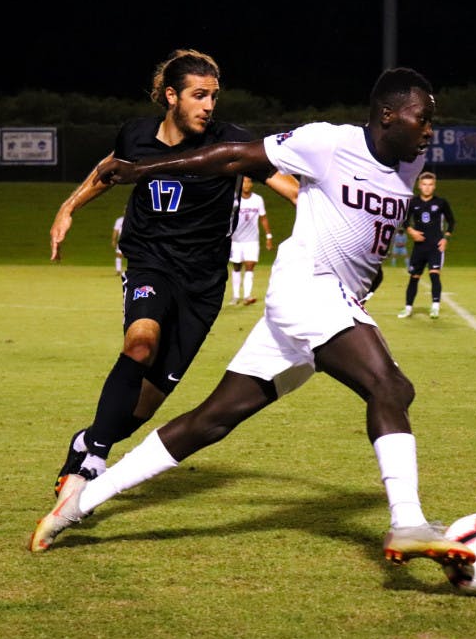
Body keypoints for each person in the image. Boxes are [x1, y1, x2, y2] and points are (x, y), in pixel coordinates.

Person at [29, 67, 476, 571]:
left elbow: (364, 229)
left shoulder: (409, 165)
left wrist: (367, 275)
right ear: (388, 116)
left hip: (325, 302)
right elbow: (235, 157)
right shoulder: (326, 142)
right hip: (308, 289)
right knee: (390, 387)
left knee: (211, 420)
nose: (430, 130)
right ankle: (408, 522)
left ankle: (76, 506)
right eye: (423, 118)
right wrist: (149, 169)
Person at [47, 49, 299, 496]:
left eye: (214, 97)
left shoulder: (230, 142)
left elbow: (290, 188)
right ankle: (94, 462)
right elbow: (109, 172)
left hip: (202, 286)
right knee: (140, 343)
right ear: (170, 96)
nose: (208, 106)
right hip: (151, 262)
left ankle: (87, 441)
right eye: (199, 95)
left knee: (141, 409)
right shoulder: (137, 134)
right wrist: (68, 207)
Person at [396, 172, 455, 319]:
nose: (427, 188)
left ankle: (435, 306)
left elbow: (451, 221)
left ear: (434, 186)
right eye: (424, 184)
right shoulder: (413, 203)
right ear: (419, 186)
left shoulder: (441, 203)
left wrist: (445, 238)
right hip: (419, 247)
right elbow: (404, 220)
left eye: (430, 185)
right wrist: (411, 231)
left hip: (435, 246)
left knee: (434, 275)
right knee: (414, 277)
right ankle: (408, 308)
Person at [227, 176, 275, 306]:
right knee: (236, 266)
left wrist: (268, 236)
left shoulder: (258, 200)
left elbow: (263, 218)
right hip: (236, 240)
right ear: (240, 185)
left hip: (252, 240)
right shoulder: (234, 200)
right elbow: (227, 218)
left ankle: (247, 296)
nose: (247, 185)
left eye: (249, 182)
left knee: (250, 266)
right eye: (244, 182)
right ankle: (236, 296)